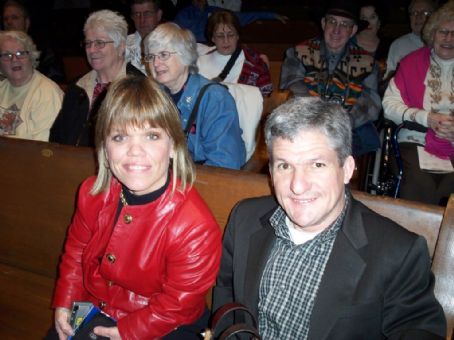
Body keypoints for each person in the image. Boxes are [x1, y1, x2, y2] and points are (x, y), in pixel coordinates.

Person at [213, 96, 447, 339]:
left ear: (346, 169)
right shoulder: (244, 219)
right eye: (285, 166)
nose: (298, 186)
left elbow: (419, 331)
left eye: (317, 165)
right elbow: (226, 294)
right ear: (271, 171)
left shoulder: (398, 253)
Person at [50, 75, 222, 339]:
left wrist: (126, 331)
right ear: (105, 149)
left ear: (174, 146)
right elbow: (77, 252)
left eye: (152, 136)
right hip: (98, 304)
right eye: (119, 137)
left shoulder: (195, 227)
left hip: (165, 322)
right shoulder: (91, 193)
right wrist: (65, 301)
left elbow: (177, 304)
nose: (135, 151)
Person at [280, 0, 381, 157]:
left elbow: (371, 102)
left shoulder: (368, 63)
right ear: (323, 23)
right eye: (332, 21)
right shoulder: (299, 52)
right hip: (304, 126)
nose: (336, 30)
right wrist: (319, 120)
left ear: (353, 30)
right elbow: (292, 86)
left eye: (344, 24)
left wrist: (342, 122)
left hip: (348, 132)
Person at [144, 22, 246, 169]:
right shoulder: (151, 95)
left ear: (185, 55)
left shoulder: (215, 99)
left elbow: (225, 164)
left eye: (163, 55)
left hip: (203, 181)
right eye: (151, 56)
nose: (156, 63)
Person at [383, 2, 454, 206]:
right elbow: (389, 106)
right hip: (414, 140)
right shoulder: (411, 63)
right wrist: (427, 118)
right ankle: (417, 237)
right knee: (419, 182)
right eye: (443, 32)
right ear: (433, 34)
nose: (449, 39)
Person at [49, 10, 143, 147]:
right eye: (88, 43)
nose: (92, 50)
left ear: (121, 46)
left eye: (100, 43)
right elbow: (57, 137)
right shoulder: (77, 87)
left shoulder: (138, 87)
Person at [0, 30, 63, 141]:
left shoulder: (47, 94)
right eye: (7, 55)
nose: (14, 59)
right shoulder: (2, 87)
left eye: (21, 53)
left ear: (32, 56)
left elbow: (42, 150)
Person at [197, 10, 272, 97]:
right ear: (213, 38)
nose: (226, 41)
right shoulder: (200, 60)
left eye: (231, 35)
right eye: (220, 36)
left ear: (237, 36)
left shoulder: (255, 63)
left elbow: (265, 97)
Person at [2, 0, 65, 83]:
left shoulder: (44, 53)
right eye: (5, 19)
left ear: (27, 23)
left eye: (15, 18)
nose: (9, 22)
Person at [174, 0, 287, 43]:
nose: (200, 1)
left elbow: (241, 17)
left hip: (215, 47)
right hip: (193, 48)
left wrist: (271, 15)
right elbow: (176, 35)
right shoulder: (184, 14)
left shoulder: (215, 12)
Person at [385, 0, 437, 78]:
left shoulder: (444, 44)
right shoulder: (398, 45)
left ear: (435, 16)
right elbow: (389, 76)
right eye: (414, 13)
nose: (418, 16)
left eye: (425, 13)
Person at [126, 0, 163, 75]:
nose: (142, 20)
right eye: (137, 14)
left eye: (147, 14)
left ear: (159, 15)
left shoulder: (172, 44)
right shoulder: (122, 47)